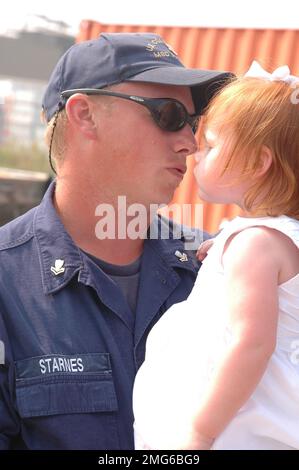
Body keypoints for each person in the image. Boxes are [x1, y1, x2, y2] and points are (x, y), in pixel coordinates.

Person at [0, 32, 232, 450]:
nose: (190, 143)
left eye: (193, 123)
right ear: (85, 115)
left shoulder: (222, 269)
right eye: (167, 115)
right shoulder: (6, 284)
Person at [133, 60, 299, 450]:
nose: (195, 153)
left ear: (259, 163)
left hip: (233, 432)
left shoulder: (255, 245)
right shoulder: (262, 239)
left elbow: (251, 344)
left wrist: (200, 433)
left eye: (210, 145)